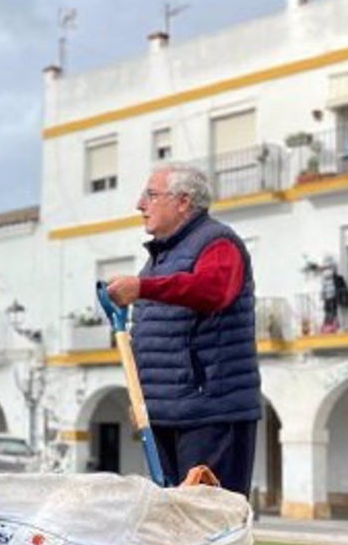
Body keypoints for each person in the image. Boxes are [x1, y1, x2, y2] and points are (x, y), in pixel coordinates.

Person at [103, 163, 260, 497]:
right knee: (175, 523)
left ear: (183, 201)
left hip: (209, 411)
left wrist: (142, 288)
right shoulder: (160, 257)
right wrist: (145, 400)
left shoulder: (218, 242)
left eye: (151, 195)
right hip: (168, 413)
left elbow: (213, 290)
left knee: (208, 520)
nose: (139, 205)